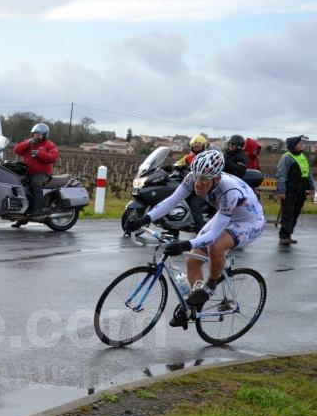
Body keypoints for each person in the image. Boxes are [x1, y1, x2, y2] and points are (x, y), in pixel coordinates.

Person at [125, 150, 265, 327]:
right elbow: (170, 202)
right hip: (225, 215)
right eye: (197, 177)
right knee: (192, 259)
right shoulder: (192, 178)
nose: (198, 183)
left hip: (249, 221)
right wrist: (144, 219)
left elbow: (213, 235)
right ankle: (194, 304)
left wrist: (184, 244)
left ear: (217, 179)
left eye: (204, 179)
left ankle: (210, 287)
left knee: (216, 245)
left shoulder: (229, 191)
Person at [12, 122, 59, 227]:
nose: (36, 135)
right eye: (35, 133)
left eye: (39, 134)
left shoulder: (49, 145)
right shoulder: (29, 143)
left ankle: (39, 210)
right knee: (18, 186)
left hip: (43, 174)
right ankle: (21, 214)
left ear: (45, 135)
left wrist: (39, 154)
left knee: (35, 183)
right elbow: (17, 150)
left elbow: (53, 157)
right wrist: (27, 143)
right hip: (27, 173)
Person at [276, 135, 314, 246]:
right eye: (299, 143)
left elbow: (307, 173)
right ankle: (284, 236)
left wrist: (311, 187)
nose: (302, 145)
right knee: (288, 213)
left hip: (301, 190)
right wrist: (281, 191)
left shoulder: (302, 156)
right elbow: (281, 175)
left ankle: (289, 235)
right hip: (289, 190)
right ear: (293, 145)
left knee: (296, 212)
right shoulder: (286, 157)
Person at [175, 133, 210, 232]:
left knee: (195, 205)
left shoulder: (207, 157)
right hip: (190, 185)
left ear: (204, 146)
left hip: (201, 188)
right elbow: (179, 163)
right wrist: (171, 166)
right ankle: (172, 228)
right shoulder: (188, 157)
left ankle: (200, 231)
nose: (196, 149)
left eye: (198, 147)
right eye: (194, 147)